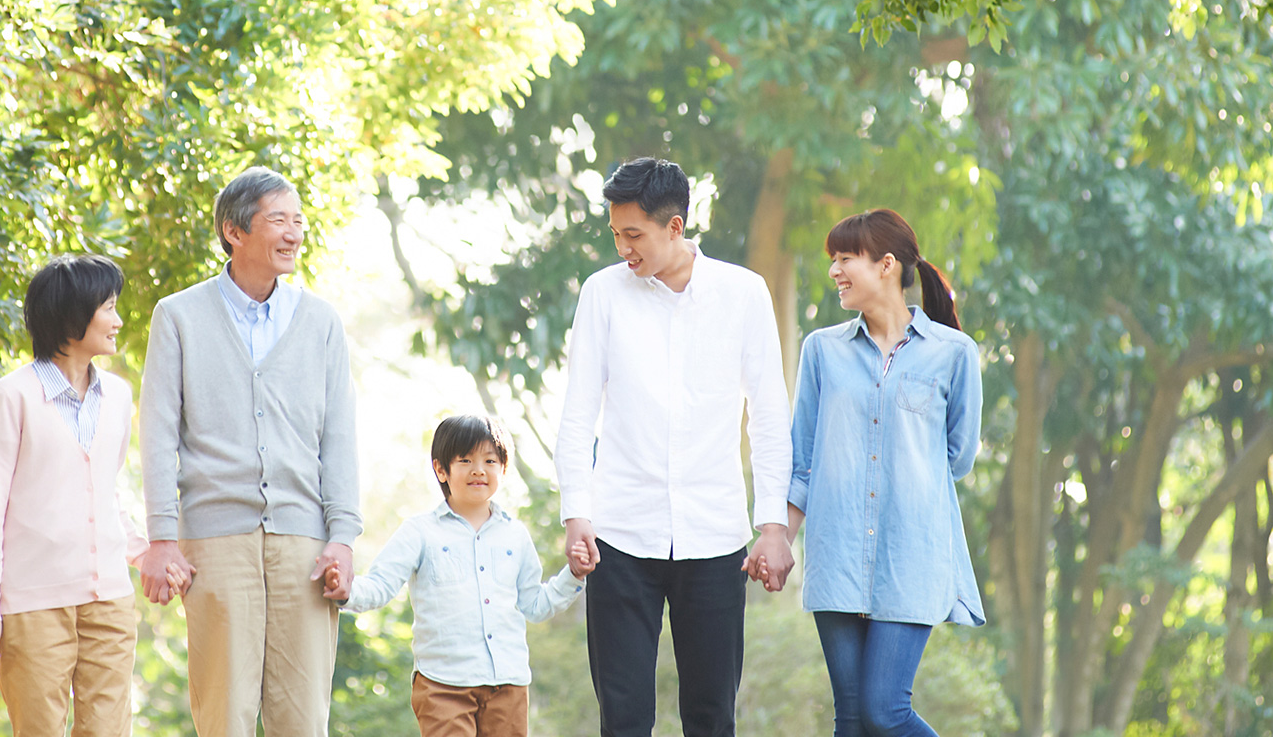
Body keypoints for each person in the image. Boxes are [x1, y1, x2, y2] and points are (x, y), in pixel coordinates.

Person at [555, 157, 793, 737]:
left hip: (714, 539)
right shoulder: (602, 293)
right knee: (624, 718)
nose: (622, 248)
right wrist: (575, 514)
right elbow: (578, 411)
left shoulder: (743, 293)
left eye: (633, 235)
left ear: (675, 227)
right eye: (615, 233)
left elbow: (767, 415)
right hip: (618, 537)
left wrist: (773, 525)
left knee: (712, 718)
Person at [136, 166, 360, 737]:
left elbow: (338, 436)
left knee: (303, 718)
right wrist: (162, 537)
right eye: (278, 220)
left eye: (299, 221)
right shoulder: (178, 316)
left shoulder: (321, 322)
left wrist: (342, 537)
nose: (293, 233)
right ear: (234, 233)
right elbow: (158, 434)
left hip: (303, 544)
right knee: (223, 714)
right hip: (214, 543)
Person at [763, 209, 985, 737]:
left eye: (845, 259)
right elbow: (804, 460)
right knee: (852, 720)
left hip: (911, 557)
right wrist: (779, 540)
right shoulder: (822, 351)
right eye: (832, 260)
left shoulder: (954, 354)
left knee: (884, 713)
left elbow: (957, 456)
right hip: (836, 554)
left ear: (886, 265)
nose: (835, 271)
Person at [0, 253, 173, 737]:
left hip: (110, 601)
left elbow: (107, 492)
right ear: (71, 314)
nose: (118, 320)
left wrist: (144, 554)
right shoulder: (11, 396)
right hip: (33, 605)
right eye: (108, 307)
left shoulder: (119, 396)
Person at [326, 414, 593, 737]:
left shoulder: (516, 535)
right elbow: (381, 585)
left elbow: (535, 605)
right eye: (465, 460)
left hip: (507, 685)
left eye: (490, 460)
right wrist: (345, 589)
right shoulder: (419, 532)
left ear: (503, 469)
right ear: (441, 469)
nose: (479, 469)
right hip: (443, 685)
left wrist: (574, 575)